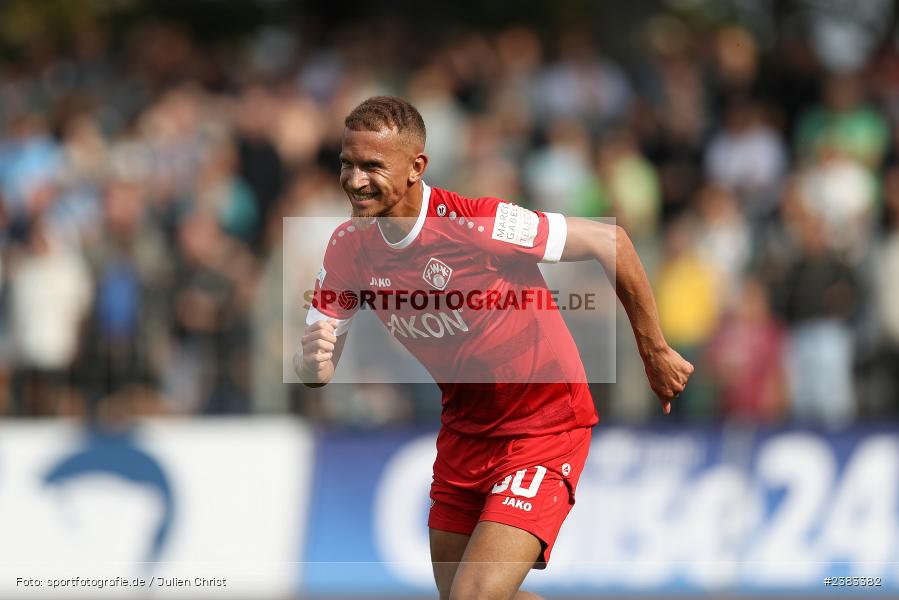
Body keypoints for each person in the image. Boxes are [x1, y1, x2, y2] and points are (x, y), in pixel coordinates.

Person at [295, 96, 693, 600]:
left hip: (543, 427)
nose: (354, 180)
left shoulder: (478, 225)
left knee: (472, 597)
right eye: (347, 164)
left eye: (373, 166)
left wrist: (653, 350)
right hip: (464, 432)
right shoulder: (347, 247)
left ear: (417, 167)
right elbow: (317, 366)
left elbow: (610, 242)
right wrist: (310, 362)